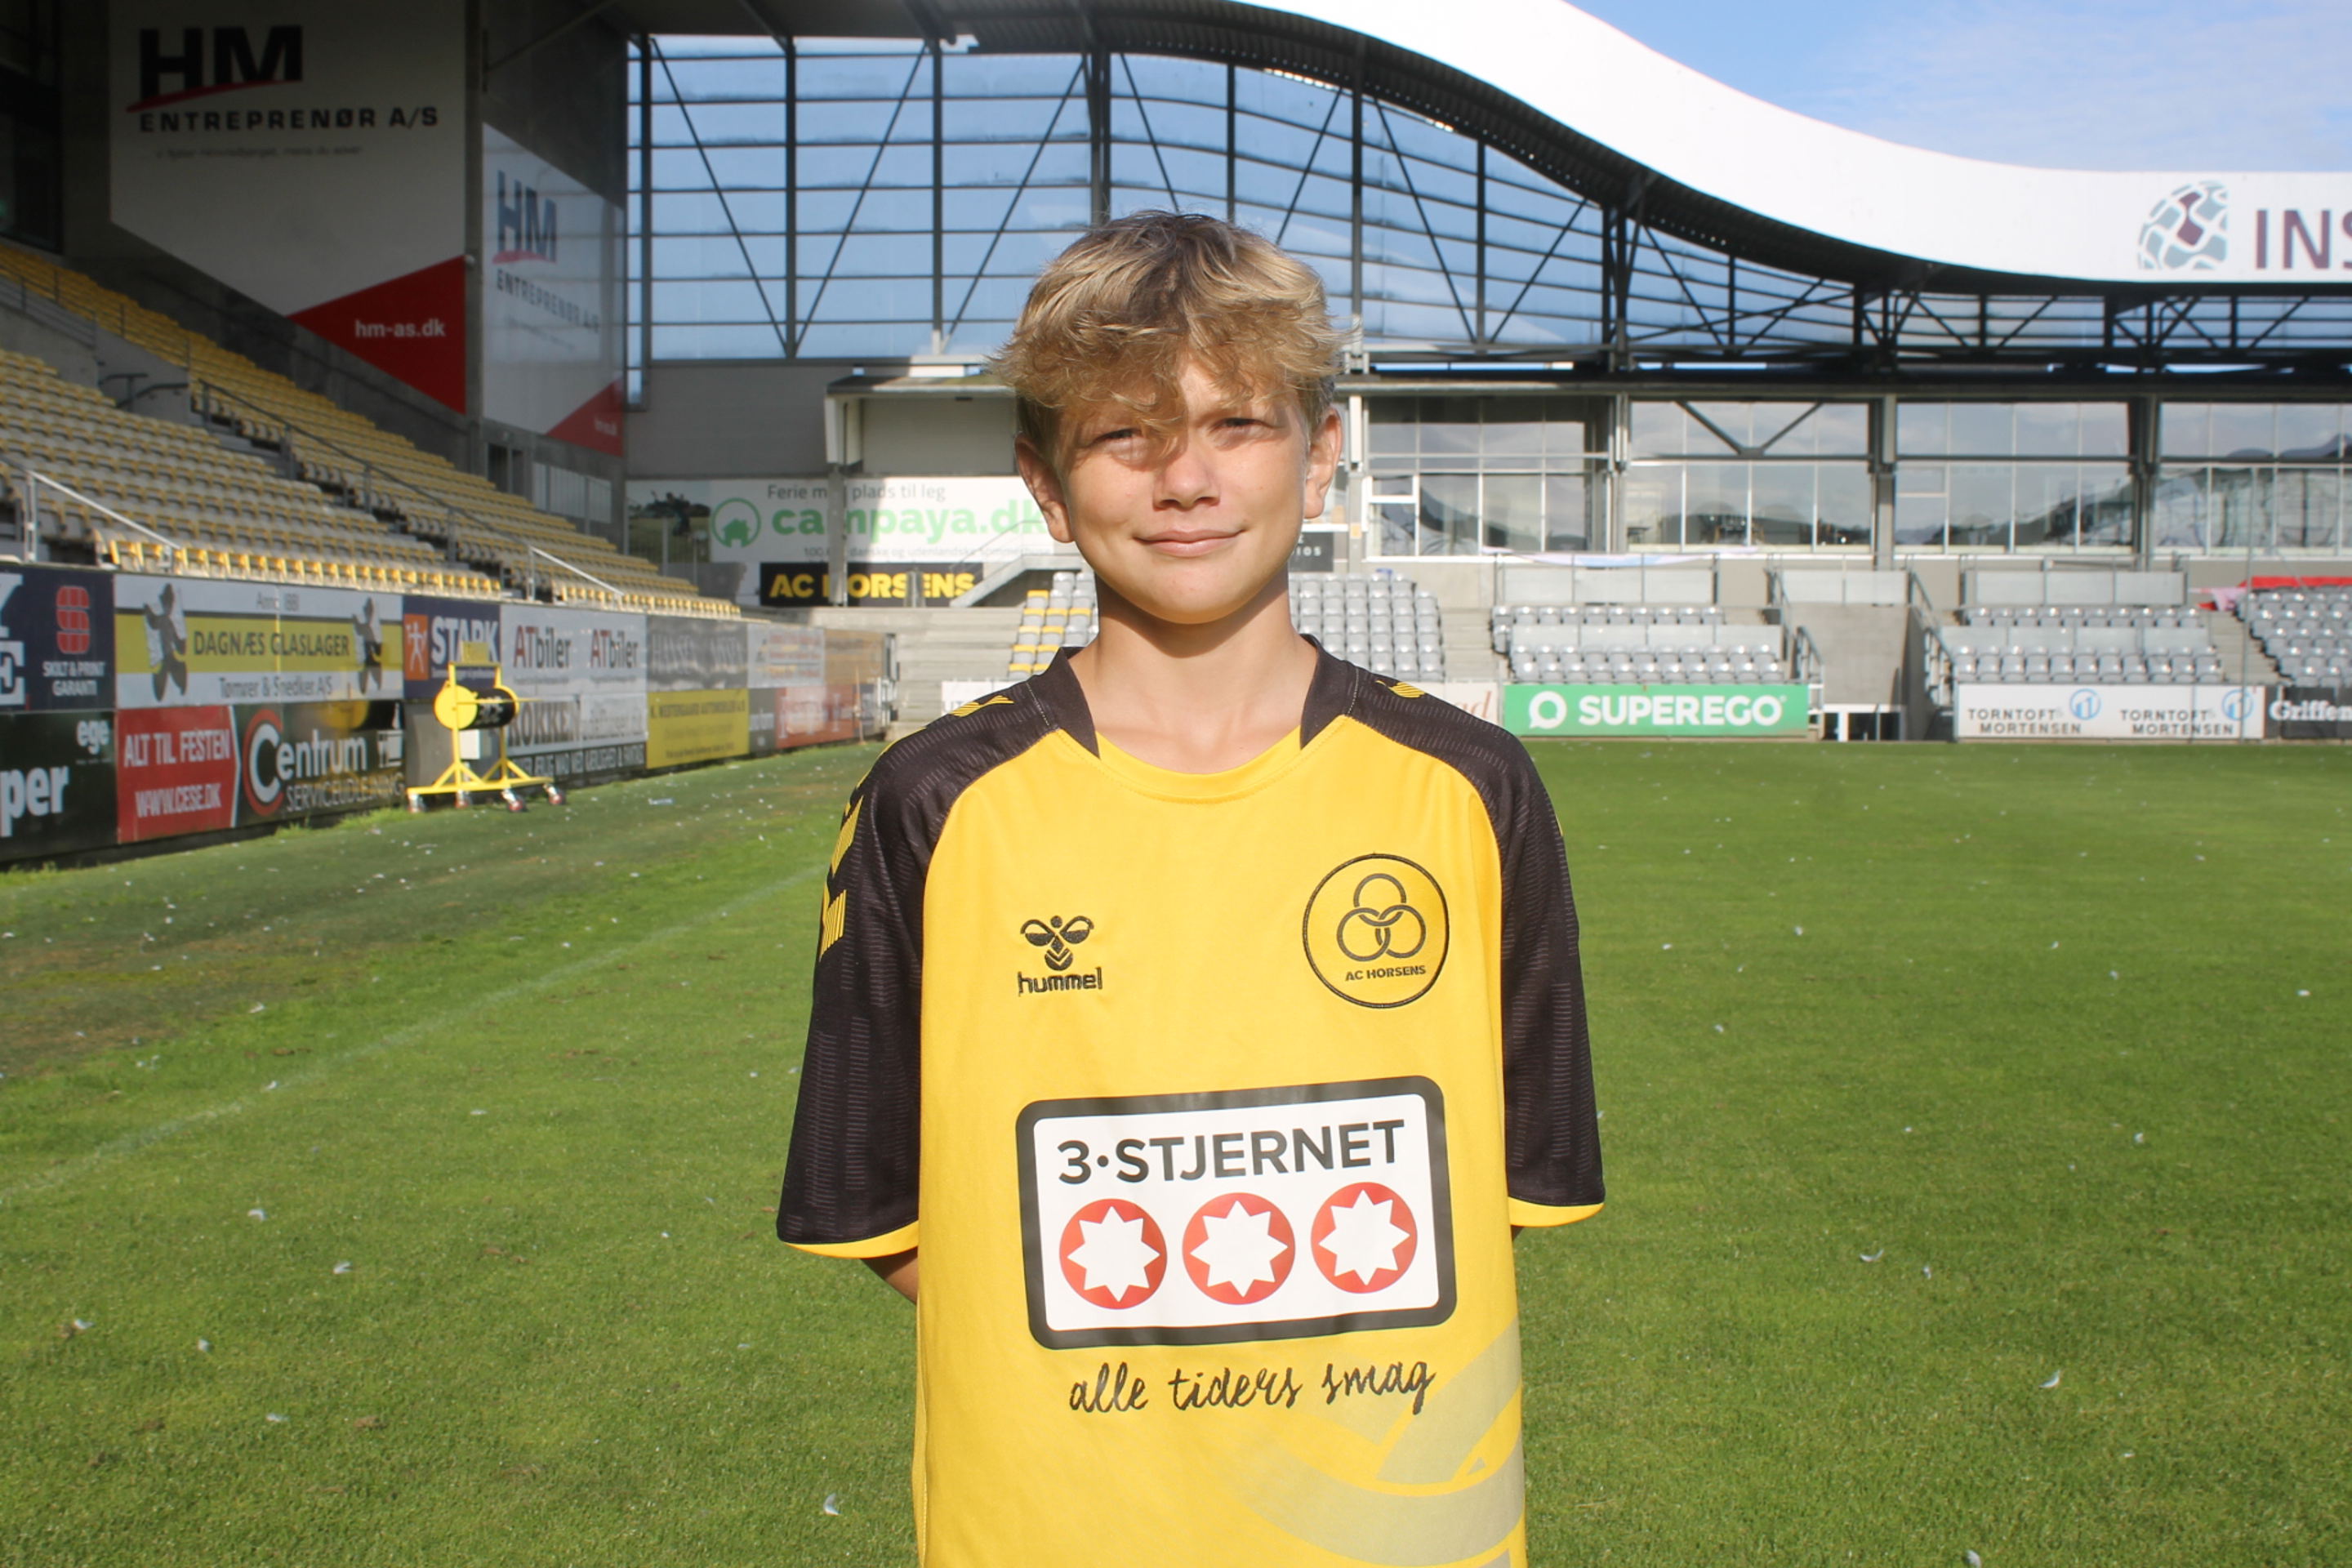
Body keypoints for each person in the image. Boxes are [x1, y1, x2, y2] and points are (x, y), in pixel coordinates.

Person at [777, 212, 1601, 1568]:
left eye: (1236, 424)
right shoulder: (931, 803)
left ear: (1321, 455)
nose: (1186, 481)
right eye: (1125, 436)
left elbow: (1501, 1188)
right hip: (1051, 1532)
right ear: (1046, 485)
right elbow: (887, 1212)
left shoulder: (1472, 789)